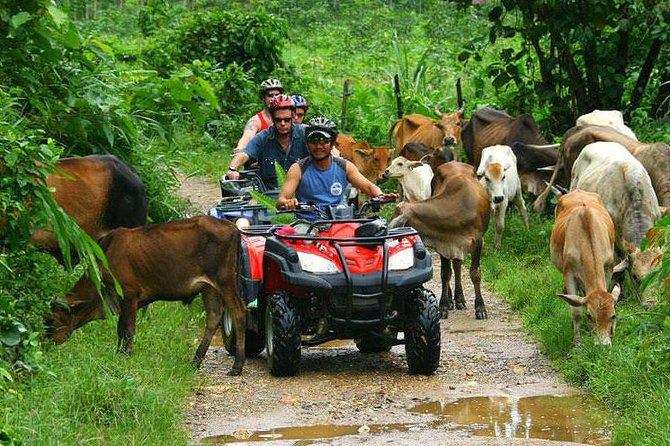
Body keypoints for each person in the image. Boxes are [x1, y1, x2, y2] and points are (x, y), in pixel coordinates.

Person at [277, 117, 383, 218]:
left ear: (332, 144)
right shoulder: (298, 168)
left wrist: (381, 196)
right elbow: (281, 200)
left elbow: (370, 187)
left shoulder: (344, 166)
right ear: (307, 144)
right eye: (313, 141)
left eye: (323, 141)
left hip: (340, 222)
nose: (318, 146)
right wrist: (288, 202)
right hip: (308, 224)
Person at [226, 94, 308, 190]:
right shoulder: (263, 137)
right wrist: (232, 169)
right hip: (269, 196)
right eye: (278, 120)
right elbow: (245, 154)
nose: (282, 123)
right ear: (272, 118)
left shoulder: (304, 134)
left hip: (302, 194)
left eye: (286, 120)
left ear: (293, 117)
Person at [233, 78, 284, 154]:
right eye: (270, 95)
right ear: (263, 98)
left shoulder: (288, 117)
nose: (274, 98)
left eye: (277, 95)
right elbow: (248, 135)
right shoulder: (256, 121)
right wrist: (240, 147)